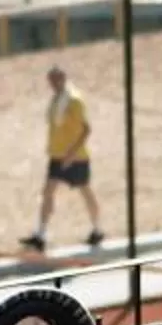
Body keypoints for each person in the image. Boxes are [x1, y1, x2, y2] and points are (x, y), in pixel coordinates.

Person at [23, 65, 104, 252]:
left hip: (75, 156)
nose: (51, 84)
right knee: (48, 192)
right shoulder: (56, 99)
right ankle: (40, 234)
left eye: (54, 80)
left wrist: (71, 154)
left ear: (62, 78)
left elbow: (86, 129)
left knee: (85, 191)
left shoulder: (74, 100)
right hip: (57, 155)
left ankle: (97, 229)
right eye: (50, 80)